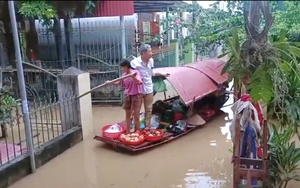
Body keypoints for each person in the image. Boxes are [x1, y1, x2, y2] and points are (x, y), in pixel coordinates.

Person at [130, 44, 169, 128]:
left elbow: (151, 73)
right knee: (136, 110)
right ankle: (137, 128)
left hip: (148, 88)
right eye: (150, 51)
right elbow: (130, 77)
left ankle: (147, 127)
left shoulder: (151, 61)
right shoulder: (134, 63)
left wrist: (162, 74)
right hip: (138, 90)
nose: (152, 53)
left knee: (149, 109)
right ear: (143, 53)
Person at [106, 59, 143, 133]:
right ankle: (128, 131)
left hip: (136, 96)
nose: (122, 69)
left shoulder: (135, 72)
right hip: (128, 96)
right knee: (128, 114)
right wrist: (110, 82)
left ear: (126, 66)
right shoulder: (124, 75)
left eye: (122, 67)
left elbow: (139, 82)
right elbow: (118, 83)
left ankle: (137, 130)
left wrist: (133, 77)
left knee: (136, 114)